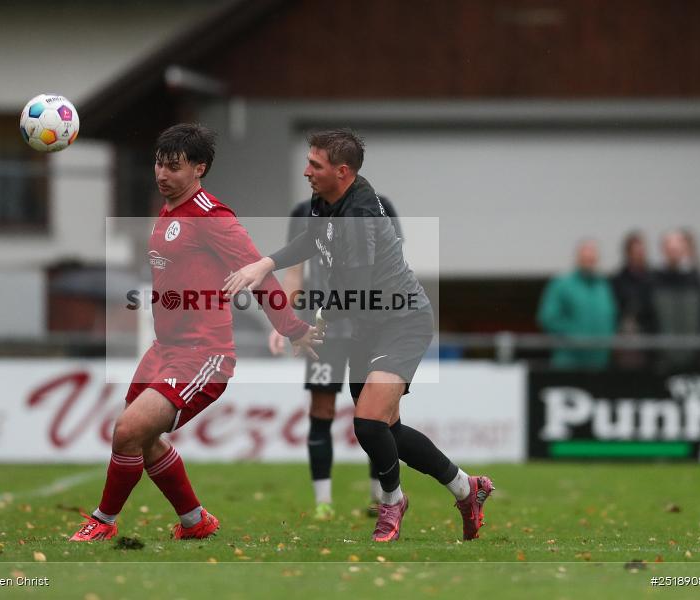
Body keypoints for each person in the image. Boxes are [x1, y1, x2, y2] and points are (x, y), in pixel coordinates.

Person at [224, 129, 493, 543]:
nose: (306, 171)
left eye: (315, 165)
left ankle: (392, 503)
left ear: (342, 171)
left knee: (368, 422)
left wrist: (314, 322)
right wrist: (267, 263)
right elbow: (313, 239)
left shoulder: (361, 213)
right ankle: (465, 488)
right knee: (385, 428)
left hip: (401, 321)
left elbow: (357, 286)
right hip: (365, 325)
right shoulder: (326, 200)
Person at [70, 124, 321, 542]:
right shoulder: (168, 212)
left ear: (199, 168)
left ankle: (104, 520)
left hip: (204, 355)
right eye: (158, 164)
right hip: (164, 350)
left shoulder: (214, 218)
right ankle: (195, 521)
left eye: (173, 167)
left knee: (129, 431)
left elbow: (257, 274)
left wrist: (292, 328)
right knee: (143, 440)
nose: (161, 174)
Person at [269, 195, 403, 520]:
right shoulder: (302, 212)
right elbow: (295, 274)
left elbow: (393, 267)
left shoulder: (380, 206)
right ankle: (323, 503)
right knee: (322, 410)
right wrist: (282, 321)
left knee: (379, 412)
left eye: (317, 166)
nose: (311, 174)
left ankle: (381, 496)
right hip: (322, 331)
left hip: (369, 327)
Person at [537, 239, 617, 370]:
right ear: (577, 258)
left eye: (592, 257)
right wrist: (576, 337)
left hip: (600, 363)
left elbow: (611, 317)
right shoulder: (561, 284)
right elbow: (548, 318)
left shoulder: (603, 286)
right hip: (569, 363)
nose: (589, 260)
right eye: (585, 257)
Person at [652, 229, 700, 370]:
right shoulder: (653, 279)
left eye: (677, 248)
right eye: (670, 248)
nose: (673, 252)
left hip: (696, 356)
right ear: (663, 250)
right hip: (662, 358)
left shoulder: (699, 279)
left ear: (685, 249)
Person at [610, 231, 656, 369]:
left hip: (651, 338)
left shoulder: (654, 278)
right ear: (628, 252)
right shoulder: (618, 279)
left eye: (641, 250)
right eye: (635, 251)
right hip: (626, 337)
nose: (639, 254)